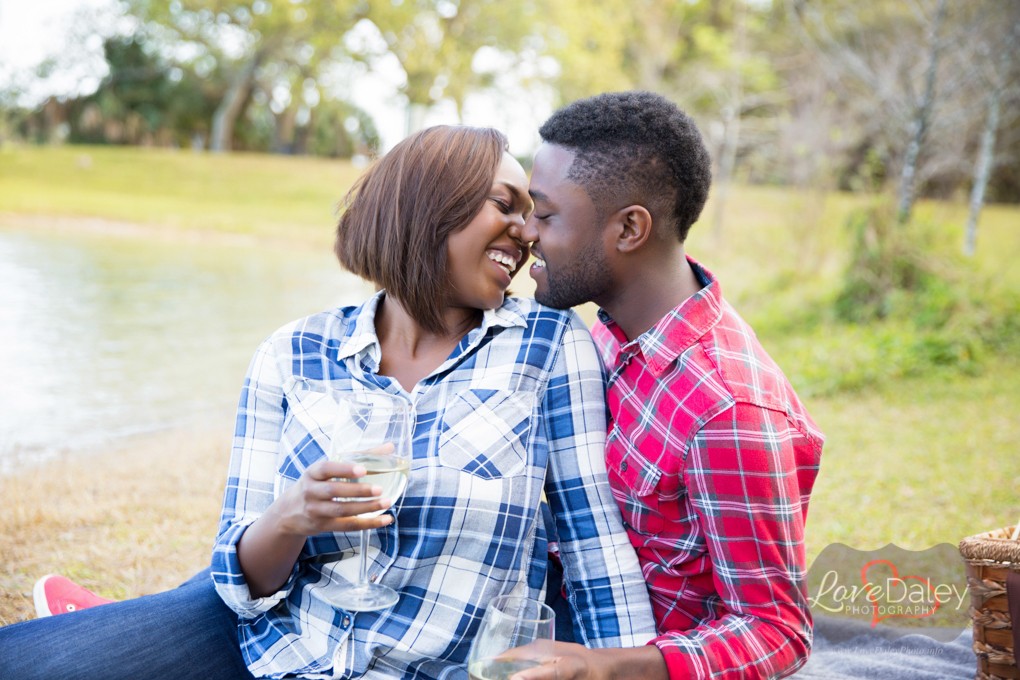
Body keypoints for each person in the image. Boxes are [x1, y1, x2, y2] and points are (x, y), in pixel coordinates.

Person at [0, 125, 656, 680]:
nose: (527, 232)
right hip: (287, 655)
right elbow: (240, 583)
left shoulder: (548, 347)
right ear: (431, 206)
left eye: (533, 213)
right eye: (505, 205)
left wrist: (625, 666)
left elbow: (594, 539)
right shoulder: (294, 354)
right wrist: (291, 517)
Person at [514, 92, 825, 680]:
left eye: (545, 214)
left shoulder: (728, 410)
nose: (526, 231)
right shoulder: (608, 333)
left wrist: (601, 668)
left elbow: (776, 630)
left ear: (629, 228)